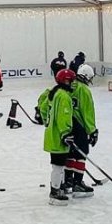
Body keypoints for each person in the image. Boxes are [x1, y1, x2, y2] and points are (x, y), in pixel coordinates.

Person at [43, 68, 78, 206]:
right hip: (58, 137)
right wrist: (66, 133)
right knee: (58, 166)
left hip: (52, 135)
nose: (73, 83)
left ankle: (59, 186)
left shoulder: (54, 93)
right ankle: (55, 192)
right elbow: (63, 116)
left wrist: (47, 122)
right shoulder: (63, 96)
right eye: (71, 80)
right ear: (66, 81)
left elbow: (43, 108)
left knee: (59, 165)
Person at [63, 68, 97, 199]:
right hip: (79, 126)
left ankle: (67, 182)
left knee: (70, 154)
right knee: (81, 154)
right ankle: (78, 184)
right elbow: (87, 112)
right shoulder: (84, 90)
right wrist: (93, 131)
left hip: (67, 124)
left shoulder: (68, 85)